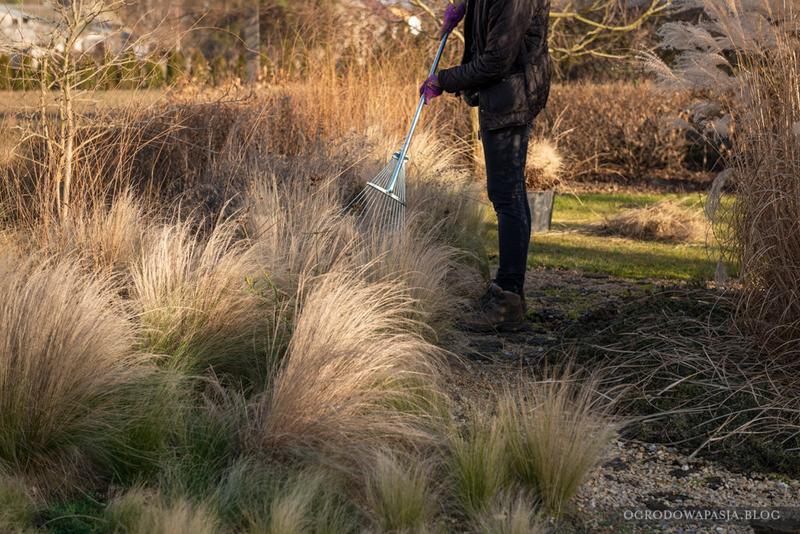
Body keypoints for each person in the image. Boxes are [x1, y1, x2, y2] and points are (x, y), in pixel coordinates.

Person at [420, 0, 551, 332]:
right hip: (503, 95)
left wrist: (444, 80)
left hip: (512, 97)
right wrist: (466, 6)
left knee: (507, 196)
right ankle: (509, 294)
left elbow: (496, 60)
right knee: (507, 194)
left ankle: (508, 300)